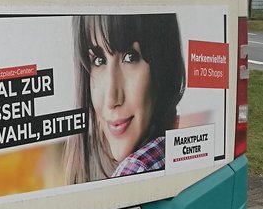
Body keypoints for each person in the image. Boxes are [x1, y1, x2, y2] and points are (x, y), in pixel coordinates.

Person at [63, 13, 185, 184]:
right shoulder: (178, 152)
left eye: (130, 57)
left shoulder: (135, 170)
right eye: (98, 61)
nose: (111, 99)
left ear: (163, 65)